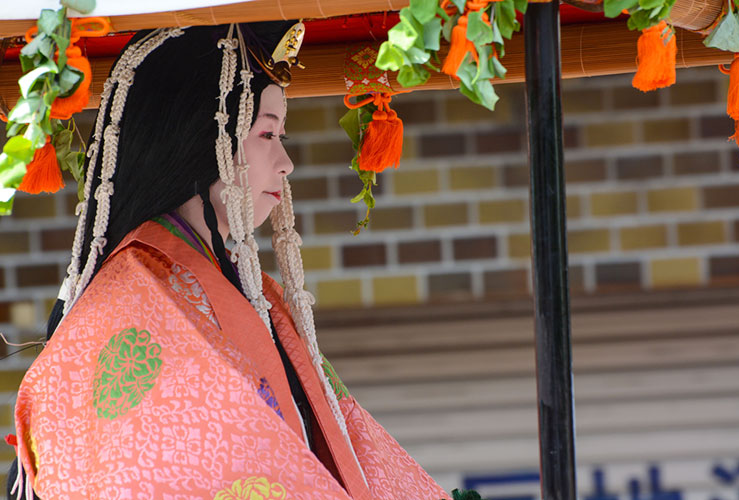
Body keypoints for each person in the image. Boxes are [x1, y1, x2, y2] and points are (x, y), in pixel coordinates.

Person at [7, 22, 449, 500]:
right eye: (267, 133)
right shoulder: (138, 300)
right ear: (202, 137)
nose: (286, 162)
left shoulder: (244, 289)